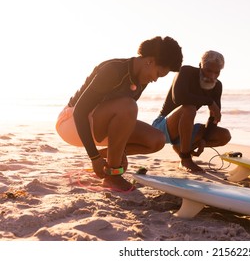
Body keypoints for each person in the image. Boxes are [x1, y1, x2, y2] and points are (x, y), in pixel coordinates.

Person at [56, 36, 183, 190]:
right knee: (128, 106)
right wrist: (94, 157)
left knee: (157, 139)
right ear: (149, 61)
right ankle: (113, 175)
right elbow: (80, 112)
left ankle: (111, 157)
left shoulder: (141, 79)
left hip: (100, 123)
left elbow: (122, 120)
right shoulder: (114, 70)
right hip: (71, 122)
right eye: (158, 73)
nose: (155, 79)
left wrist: (121, 151)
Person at [152, 50, 231, 173]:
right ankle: (185, 158)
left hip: (184, 130)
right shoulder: (186, 72)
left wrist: (204, 139)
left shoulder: (217, 86)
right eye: (209, 70)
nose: (212, 76)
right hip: (162, 127)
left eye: (217, 72)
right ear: (200, 66)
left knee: (224, 135)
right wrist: (210, 102)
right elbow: (179, 98)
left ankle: (181, 147)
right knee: (189, 108)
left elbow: (214, 116)